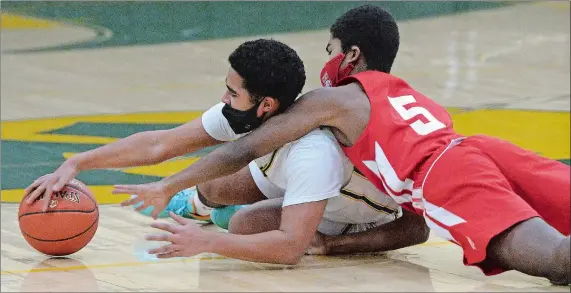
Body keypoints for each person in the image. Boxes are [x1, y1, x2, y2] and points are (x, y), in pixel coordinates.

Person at [110, 4, 570, 285]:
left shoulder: (333, 99)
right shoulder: (414, 97)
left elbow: (242, 150)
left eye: (330, 51)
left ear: (350, 55)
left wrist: (170, 182)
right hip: (482, 149)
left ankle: (198, 203)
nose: (326, 62)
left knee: (556, 263)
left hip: (445, 173)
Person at [23, 38, 429, 264]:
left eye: (233, 92)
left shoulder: (312, 154)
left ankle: (237, 218)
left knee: (244, 227)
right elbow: (160, 143)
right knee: (214, 188)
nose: (223, 97)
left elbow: (289, 250)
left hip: (345, 206)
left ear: (265, 106)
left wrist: (208, 244)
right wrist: (79, 161)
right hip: (286, 175)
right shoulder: (251, 115)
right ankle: (205, 206)